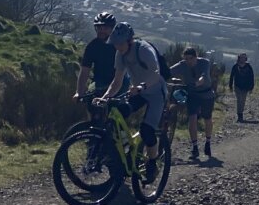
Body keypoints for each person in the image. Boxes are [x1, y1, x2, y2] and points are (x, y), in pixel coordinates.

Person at [99, 22, 165, 184]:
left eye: (120, 44)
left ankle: (152, 163)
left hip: (155, 93)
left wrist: (142, 86)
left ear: (130, 40)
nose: (118, 47)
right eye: (115, 44)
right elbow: (117, 80)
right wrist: (105, 97)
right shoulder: (120, 55)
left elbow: (156, 74)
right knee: (119, 112)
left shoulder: (144, 50)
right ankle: (126, 149)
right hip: (137, 92)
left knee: (147, 130)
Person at [171, 46, 216, 159]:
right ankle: (195, 147)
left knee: (207, 118)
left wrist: (197, 83)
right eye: (186, 59)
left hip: (206, 94)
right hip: (192, 94)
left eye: (190, 58)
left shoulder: (204, 63)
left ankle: (208, 142)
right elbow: (168, 72)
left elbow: (204, 76)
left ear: (196, 57)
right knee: (192, 118)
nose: (188, 61)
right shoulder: (182, 65)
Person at [74, 11, 121, 104]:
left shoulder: (118, 46)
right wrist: (79, 92)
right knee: (90, 102)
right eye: (99, 27)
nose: (102, 30)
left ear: (112, 29)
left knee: (114, 108)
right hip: (98, 82)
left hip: (119, 82)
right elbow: (84, 71)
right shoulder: (92, 46)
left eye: (106, 28)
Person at [228, 53, 255, 122]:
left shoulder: (249, 67)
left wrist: (251, 87)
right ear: (239, 58)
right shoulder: (235, 66)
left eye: (244, 58)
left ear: (246, 59)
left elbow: (252, 77)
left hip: (245, 87)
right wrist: (230, 86)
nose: (242, 59)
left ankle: (241, 112)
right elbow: (232, 76)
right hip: (237, 86)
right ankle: (239, 115)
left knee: (243, 100)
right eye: (241, 57)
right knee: (239, 100)